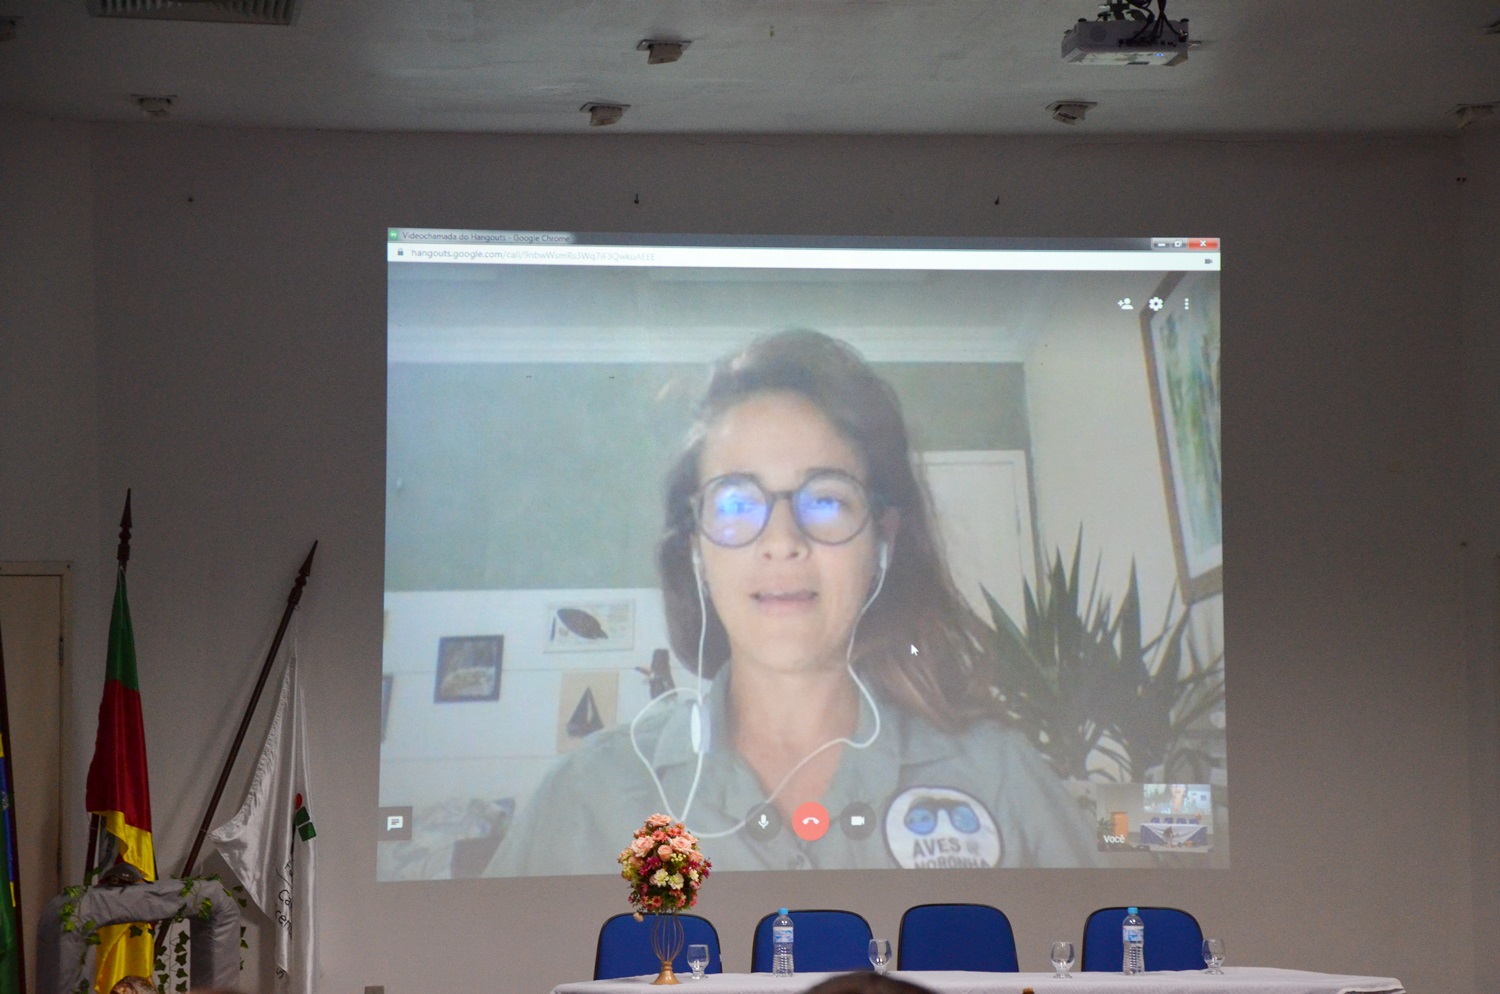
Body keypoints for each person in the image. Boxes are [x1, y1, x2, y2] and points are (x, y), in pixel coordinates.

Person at [486, 330, 1096, 875]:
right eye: (735, 502)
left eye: (826, 500)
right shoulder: (584, 801)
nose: (781, 541)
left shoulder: (1003, 779)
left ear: (882, 543)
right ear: (697, 549)